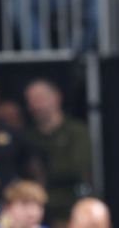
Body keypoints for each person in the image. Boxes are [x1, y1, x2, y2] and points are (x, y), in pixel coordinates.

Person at [23, 80, 92, 225]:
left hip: (69, 208)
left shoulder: (76, 131)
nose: (36, 105)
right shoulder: (28, 137)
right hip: (37, 211)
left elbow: (78, 169)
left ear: (57, 97)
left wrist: (44, 166)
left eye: (40, 98)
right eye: (31, 100)